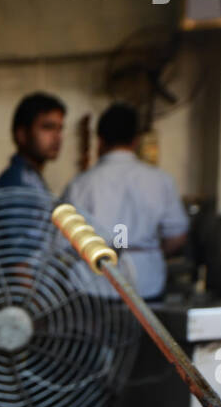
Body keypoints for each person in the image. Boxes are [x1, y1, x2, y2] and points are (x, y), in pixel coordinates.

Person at [61, 102, 189, 302]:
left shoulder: (80, 184)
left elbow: (63, 243)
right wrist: (147, 253)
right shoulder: (160, 180)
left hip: (91, 286)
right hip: (146, 283)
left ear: (100, 140)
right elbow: (177, 235)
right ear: (135, 141)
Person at [0, 93, 66, 192]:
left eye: (59, 129)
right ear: (22, 134)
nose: (57, 137)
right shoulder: (16, 183)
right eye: (48, 127)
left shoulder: (32, 178)